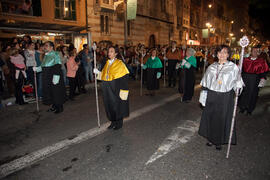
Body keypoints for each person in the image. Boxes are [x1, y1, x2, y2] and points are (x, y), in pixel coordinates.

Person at [198, 45, 244, 150]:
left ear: (228, 54)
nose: (222, 55)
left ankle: (219, 140)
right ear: (216, 54)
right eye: (219, 52)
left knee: (221, 118)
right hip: (212, 95)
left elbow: (238, 83)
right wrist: (203, 95)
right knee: (211, 117)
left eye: (225, 52)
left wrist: (238, 85)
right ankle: (210, 138)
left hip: (225, 97)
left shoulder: (233, 67)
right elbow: (205, 82)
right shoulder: (211, 67)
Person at [93, 46, 129, 130]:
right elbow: (105, 76)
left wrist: (123, 91)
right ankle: (113, 122)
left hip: (116, 89)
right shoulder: (107, 63)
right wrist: (98, 72)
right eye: (109, 51)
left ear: (116, 53)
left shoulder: (119, 63)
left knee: (117, 105)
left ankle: (119, 123)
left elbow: (123, 78)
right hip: (107, 89)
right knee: (109, 105)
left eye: (111, 51)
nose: (109, 53)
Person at [238, 46, 269, 115]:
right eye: (253, 51)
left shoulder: (261, 61)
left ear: (258, 53)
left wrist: (262, 79)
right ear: (251, 52)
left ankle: (250, 109)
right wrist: (239, 78)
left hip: (255, 79)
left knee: (253, 94)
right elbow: (240, 69)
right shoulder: (245, 60)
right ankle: (242, 107)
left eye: (256, 51)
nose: (255, 52)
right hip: (245, 78)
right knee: (244, 93)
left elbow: (263, 72)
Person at [40, 41, 65, 114]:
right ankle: (54, 105)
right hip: (47, 76)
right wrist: (38, 68)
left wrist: (56, 76)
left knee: (56, 92)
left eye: (47, 45)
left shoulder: (56, 53)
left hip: (53, 75)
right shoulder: (46, 55)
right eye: (45, 45)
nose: (45, 47)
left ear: (51, 47)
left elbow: (58, 64)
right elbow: (44, 65)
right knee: (50, 92)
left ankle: (59, 107)